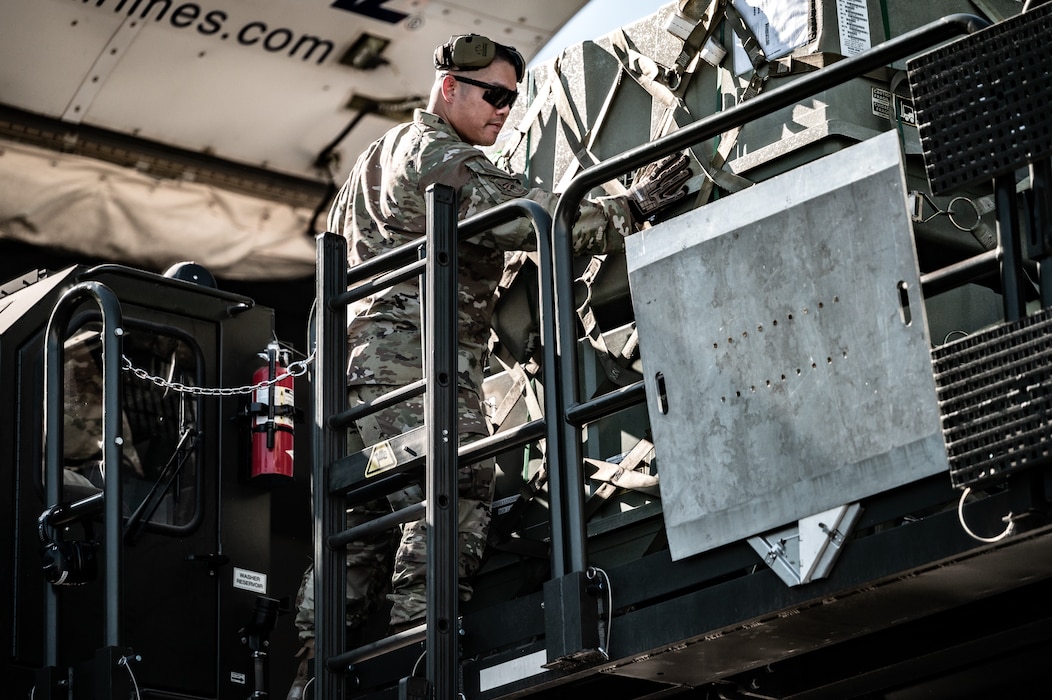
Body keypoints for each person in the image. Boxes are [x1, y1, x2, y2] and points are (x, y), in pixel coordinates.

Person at [287, 33, 691, 698]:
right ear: (448, 88)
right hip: (411, 361)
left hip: (358, 373)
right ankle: (422, 644)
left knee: (360, 523)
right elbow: (527, 218)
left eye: (514, 98)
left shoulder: (378, 157)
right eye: (494, 95)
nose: (506, 110)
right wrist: (630, 207)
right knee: (457, 480)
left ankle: (311, 666)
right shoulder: (435, 154)